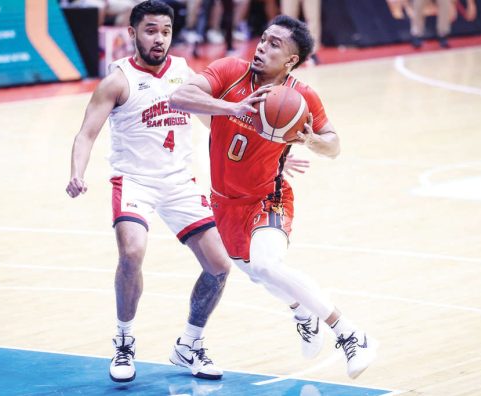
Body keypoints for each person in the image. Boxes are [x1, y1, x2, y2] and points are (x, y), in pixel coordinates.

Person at [169, 15, 378, 379]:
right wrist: (230, 107)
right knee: (261, 276)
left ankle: (350, 334)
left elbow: (334, 145)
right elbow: (180, 96)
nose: (262, 47)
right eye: (263, 39)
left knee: (267, 265)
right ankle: (302, 311)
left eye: (274, 45)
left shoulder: (301, 96)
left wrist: (309, 139)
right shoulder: (230, 71)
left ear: (291, 61)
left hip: (269, 197)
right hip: (224, 201)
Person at [66, 0, 230, 383]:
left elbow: (213, 123)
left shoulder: (185, 74)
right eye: (151, 30)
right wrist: (77, 173)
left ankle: (190, 344)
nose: (159, 39)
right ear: (133, 33)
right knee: (132, 251)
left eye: (166, 31)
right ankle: (124, 340)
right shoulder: (117, 80)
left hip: (178, 183)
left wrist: (264, 152)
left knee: (220, 266)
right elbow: (86, 133)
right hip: (134, 181)